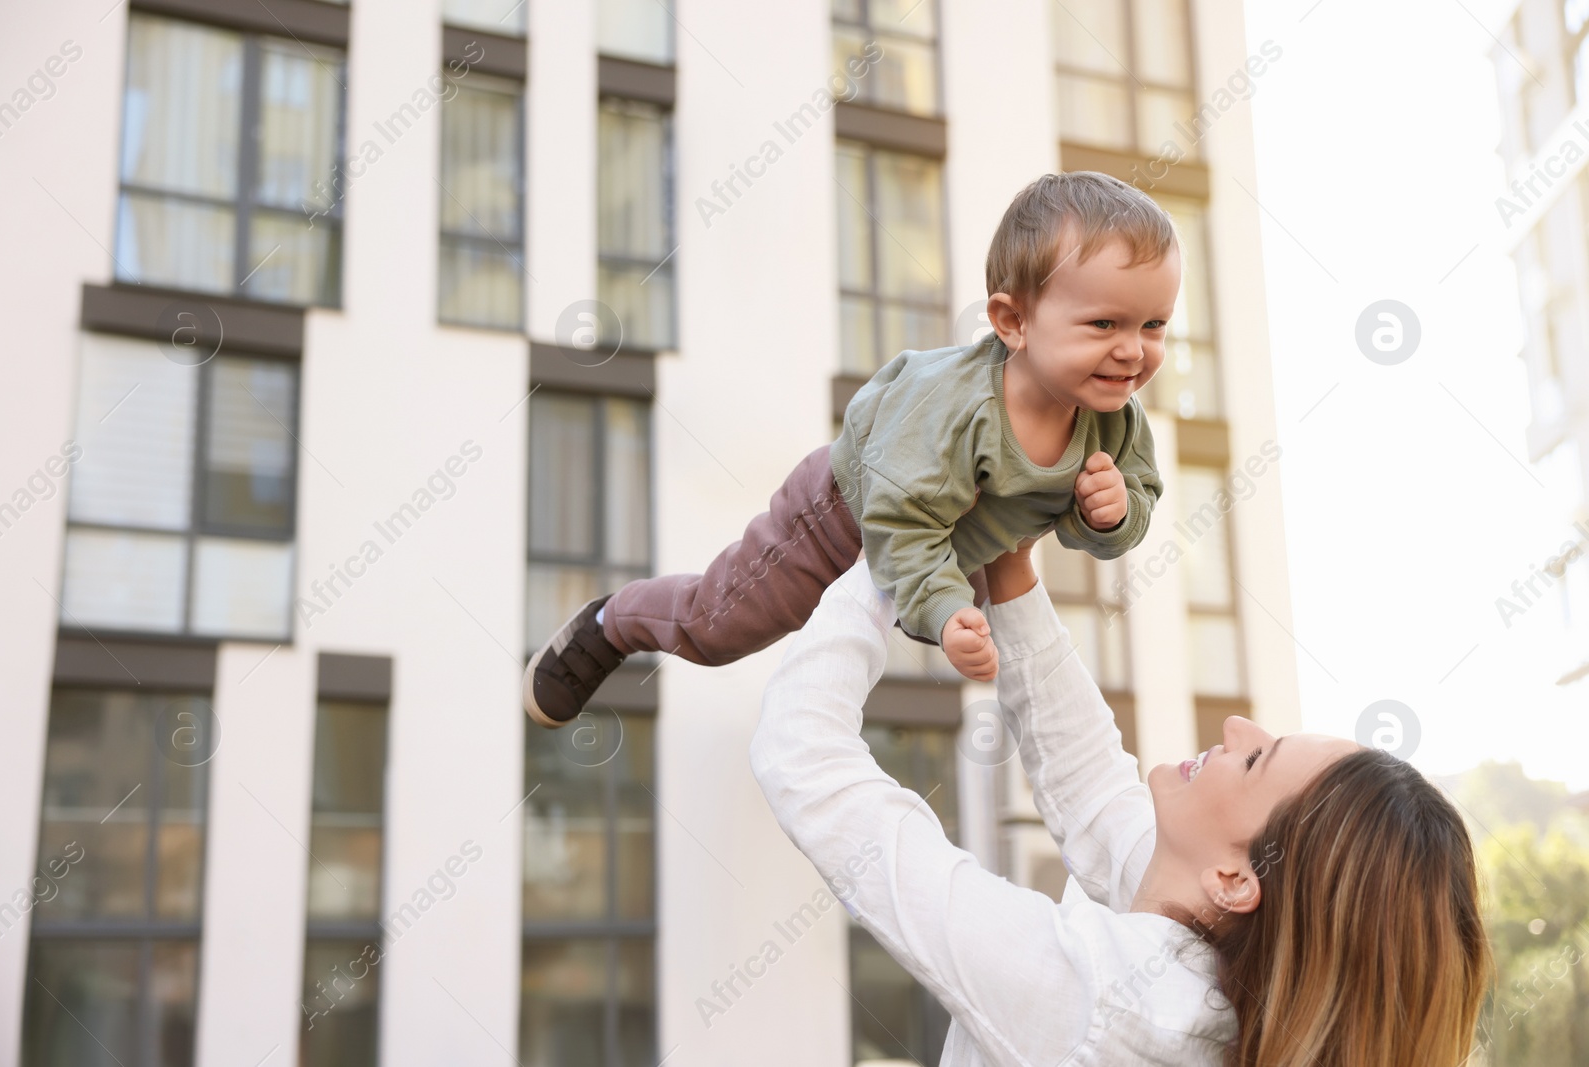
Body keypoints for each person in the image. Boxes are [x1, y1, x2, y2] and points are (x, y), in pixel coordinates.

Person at [750, 546, 1492, 1065]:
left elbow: (803, 753)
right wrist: (1010, 570)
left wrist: (892, 545)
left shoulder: (1101, 1002)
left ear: (1235, 880)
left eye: (1259, 756)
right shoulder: (1213, 966)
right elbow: (1095, 785)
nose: (1237, 728)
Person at [525, 171, 1176, 728]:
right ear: (1013, 322)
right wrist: (946, 610)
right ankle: (611, 621)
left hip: (956, 540)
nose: (1132, 349)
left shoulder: (1117, 417)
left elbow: (1139, 497)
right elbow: (900, 525)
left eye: (1154, 325)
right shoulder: (952, 407)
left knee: (948, 634)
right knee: (719, 626)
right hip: (845, 514)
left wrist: (1112, 515)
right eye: (1104, 324)